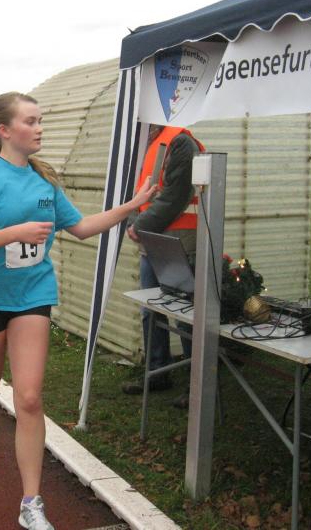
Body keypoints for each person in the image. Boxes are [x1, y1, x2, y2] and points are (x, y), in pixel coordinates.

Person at [0, 92, 154, 530]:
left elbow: (81, 227)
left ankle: (31, 503)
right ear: (5, 131)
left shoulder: (44, 182)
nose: (39, 128)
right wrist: (14, 232)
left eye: (40, 120)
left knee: (29, 397)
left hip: (32, 296)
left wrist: (132, 206)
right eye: (31, 121)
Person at [122, 124, 205, 409]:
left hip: (178, 242)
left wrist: (139, 225)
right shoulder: (150, 142)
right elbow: (141, 191)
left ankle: (196, 385)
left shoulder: (180, 143)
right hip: (155, 240)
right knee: (151, 310)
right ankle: (157, 371)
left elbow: (176, 195)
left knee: (184, 315)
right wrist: (135, 222)